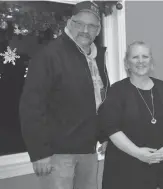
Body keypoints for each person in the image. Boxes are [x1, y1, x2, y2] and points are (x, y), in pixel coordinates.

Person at [19, 1, 108, 189]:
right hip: (57, 156)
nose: (85, 30)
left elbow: (98, 102)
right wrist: (39, 152)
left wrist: (104, 135)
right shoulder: (49, 55)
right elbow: (31, 106)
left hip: (89, 153)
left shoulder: (95, 58)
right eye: (79, 23)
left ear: (98, 30)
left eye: (92, 26)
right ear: (69, 23)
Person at [98, 41, 163, 189]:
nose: (141, 61)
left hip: (162, 163)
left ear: (151, 61)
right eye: (135, 57)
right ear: (127, 63)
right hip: (125, 167)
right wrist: (138, 153)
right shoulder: (117, 90)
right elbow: (111, 129)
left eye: (145, 56)